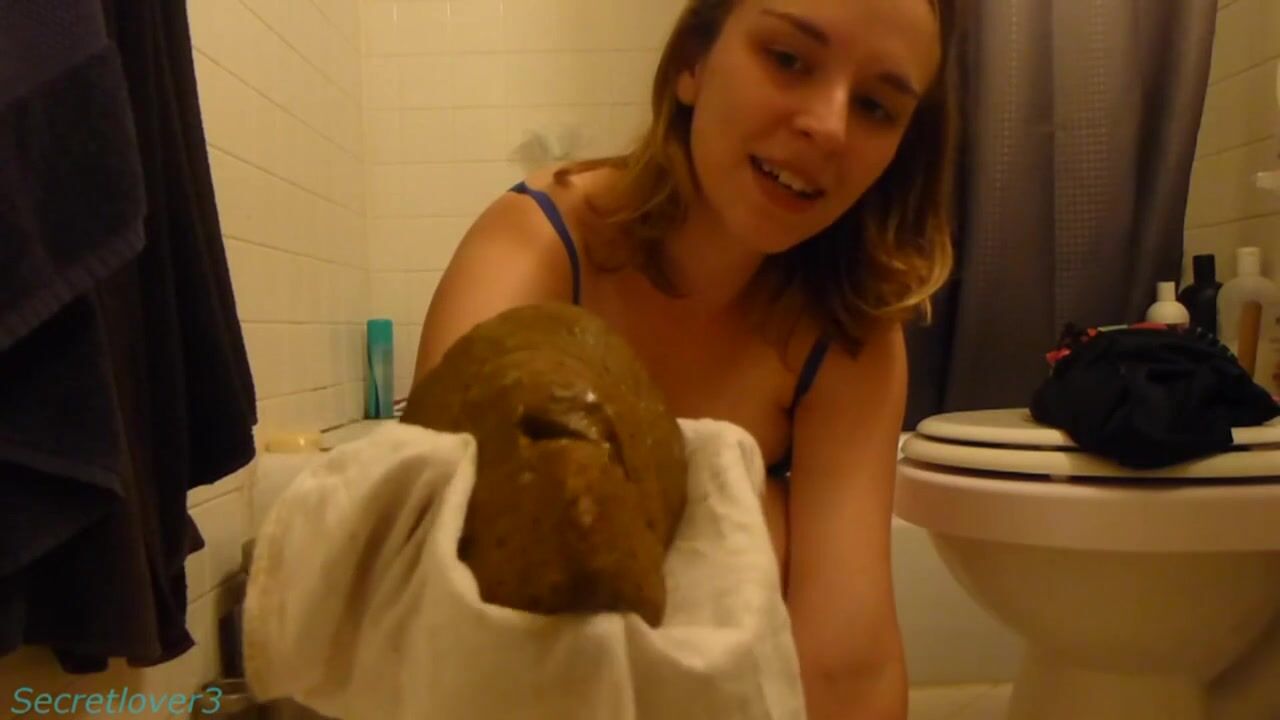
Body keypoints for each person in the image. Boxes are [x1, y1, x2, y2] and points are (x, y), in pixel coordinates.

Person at [413, 0, 958, 717]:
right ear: (693, 63)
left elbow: (846, 665)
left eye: (877, 107)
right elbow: (438, 574)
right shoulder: (539, 245)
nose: (829, 127)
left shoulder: (846, 334)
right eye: (788, 60)